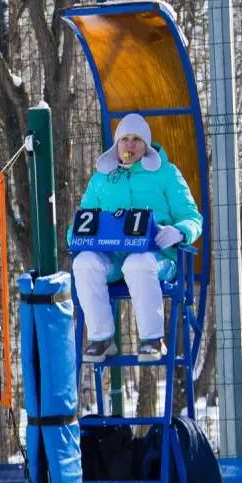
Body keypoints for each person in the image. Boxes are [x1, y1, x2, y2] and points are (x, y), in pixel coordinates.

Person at [71, 113, 203, 362]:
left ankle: (152, 339)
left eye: (136, 140)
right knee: (84, 262)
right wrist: (76, 237)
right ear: (116, 145)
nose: (129, 145)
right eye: (124, 139)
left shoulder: (166, 173)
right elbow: (82, 221)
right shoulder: (101, 179)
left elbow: (192, 217)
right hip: (113, 257)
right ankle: (101, 339)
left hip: (156, 256)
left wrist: (179, 231)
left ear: (146, 145)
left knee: (138, 263)